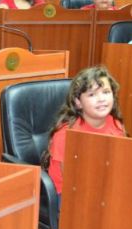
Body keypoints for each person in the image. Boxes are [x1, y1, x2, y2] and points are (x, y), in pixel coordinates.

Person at [42, 66, 126, 197]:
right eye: (92, 94)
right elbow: (72, 181)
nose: (101, 99)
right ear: (78, 102)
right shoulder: (66, 134)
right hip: (69, 192)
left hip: (101, 186)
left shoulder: (116, 124)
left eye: (106, 92)